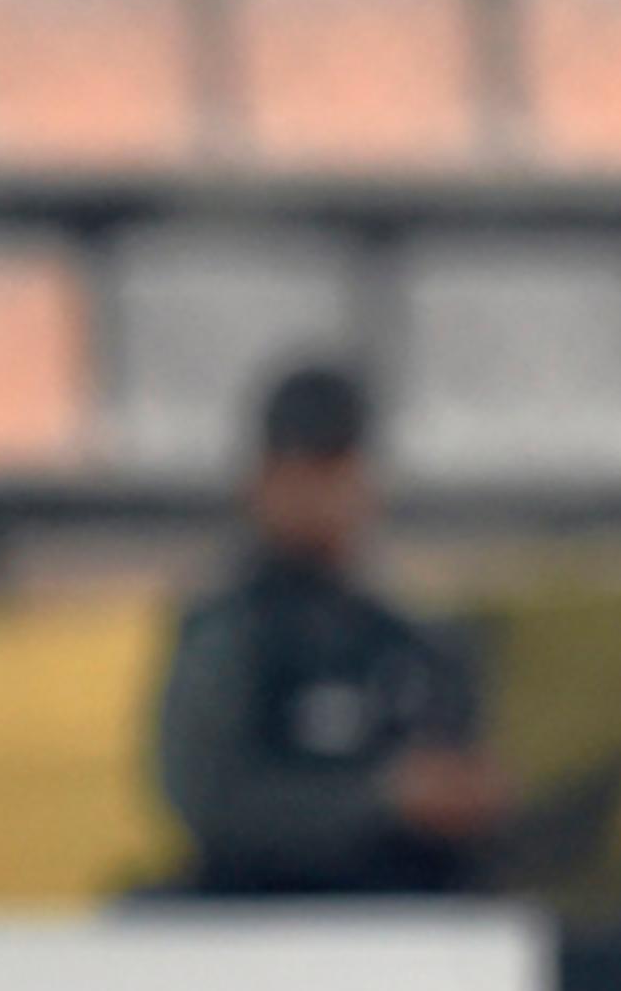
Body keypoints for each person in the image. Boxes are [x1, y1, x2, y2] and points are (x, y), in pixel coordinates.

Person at [151, 364, 507, 896]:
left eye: (334, 472)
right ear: (261, 482)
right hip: (258, 923)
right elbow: (211, 800)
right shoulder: (233, 632)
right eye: (299, 473)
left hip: (405, 921)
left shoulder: (414, 638)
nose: (317, 495)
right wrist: (380, 800)